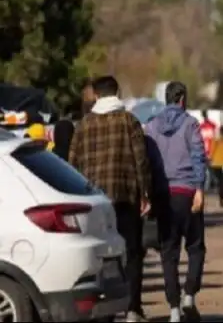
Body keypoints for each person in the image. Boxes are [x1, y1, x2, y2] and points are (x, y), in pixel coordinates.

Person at [68, 76, 152, 323]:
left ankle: (103, 311)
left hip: (93, 204)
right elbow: (141, 160)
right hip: (126, 198)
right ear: (118, 92)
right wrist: (145, 193)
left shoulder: (83, 125)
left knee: (99, 256)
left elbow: (71, 165)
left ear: (95, 95)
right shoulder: (130, 121)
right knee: (133, 254)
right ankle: (133, 309)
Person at [145, 81, 207, 323]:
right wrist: (200, 188)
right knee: (195, 247)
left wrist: (148, 194)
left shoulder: (151, 127)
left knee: (168, 253)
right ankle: (190, 295)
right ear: (181, 99)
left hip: (163, 195)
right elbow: (198, 156)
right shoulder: (191, 124)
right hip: (188, 192)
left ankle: (173, 310)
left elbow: (147, 162)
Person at [209, 124, 223, 207]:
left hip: (216, 164)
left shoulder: (217, 139)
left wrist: (210, 158)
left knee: (221, 183)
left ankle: (222, 200)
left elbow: (212, 149)